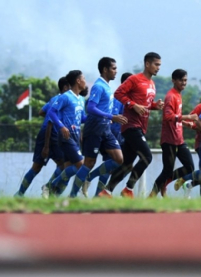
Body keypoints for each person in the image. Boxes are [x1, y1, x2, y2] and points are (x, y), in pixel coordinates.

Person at [107, 52, 165, 198]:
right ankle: (128, 189)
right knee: (147, 157)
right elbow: (118, 93)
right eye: (156, 64)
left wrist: (154, 106)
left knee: (127, 164)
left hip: (141, 126)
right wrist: (133, 105)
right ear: (147, 64)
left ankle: (106, 191)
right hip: (131, 125)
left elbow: (145, 104)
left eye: (160, 65)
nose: (158, 68)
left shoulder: (152, 83)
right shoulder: (134, 79)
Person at [68, 57, 124, 198]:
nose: (116, 71)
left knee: (119, 159)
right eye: (113, 68)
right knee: (89, 162)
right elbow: (91, 108)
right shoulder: (99, 86)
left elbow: (102, 108)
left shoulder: (107, 86)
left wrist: (110, 117)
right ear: (105, 69)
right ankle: (72, 196)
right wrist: (111, 117)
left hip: (106, 129)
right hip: (94, 129)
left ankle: (89, 178)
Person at [14, 77, 69, 197]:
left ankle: (47, 188)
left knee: (63, 164)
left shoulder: (54, 99)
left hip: (54, 136)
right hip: (48, 135)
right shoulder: (62, 100)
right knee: (37, 167)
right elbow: (50, 122)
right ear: (65, 87)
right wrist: (46, 146)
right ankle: (20, 194)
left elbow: (41, 112)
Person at [148, 69, 198, 198]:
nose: (184, 83)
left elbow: (176, 118)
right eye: (181, 80)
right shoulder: (171, 96)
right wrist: (188, 117)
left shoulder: (178, 95)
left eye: (185, 80)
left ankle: (164, 183)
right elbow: (168, 116)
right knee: (167, 170)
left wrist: (185, 123)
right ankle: (152, 195)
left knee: (189, 167)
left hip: (179, 139)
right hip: (169, 140)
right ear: (174, 81)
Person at [42, 70, 88, 198]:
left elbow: (82, 118)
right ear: (78, 81)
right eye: (83, 78)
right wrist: (61, 126)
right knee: (83, 166)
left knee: (67, 169)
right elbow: (51, 112)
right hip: (65, 137)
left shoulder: (81, 100)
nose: (85, 81)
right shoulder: (66, 96)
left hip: (75, 137)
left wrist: (97, 117)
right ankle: (50, 186)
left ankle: (53, 195)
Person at [87, 72, 131, 198]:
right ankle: (93, 185)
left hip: (118, 136)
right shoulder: (118, 98)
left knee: (113, 165)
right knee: (111, 164)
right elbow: (114, 117)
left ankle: (98, 195)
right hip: (110, 134)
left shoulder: (127, 99)